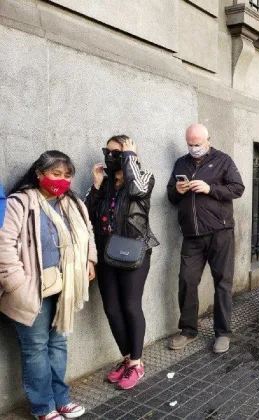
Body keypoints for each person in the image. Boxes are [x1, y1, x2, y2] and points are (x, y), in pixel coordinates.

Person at [0, 151, 97, 420]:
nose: (62, 181)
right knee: (36, 348)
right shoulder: (20, 203)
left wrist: (89, 260)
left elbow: (87, 231)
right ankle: (43, 407)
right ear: (39, 174)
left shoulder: (72, 202)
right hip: (32, 289)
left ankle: (61, 399)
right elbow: (3, 244)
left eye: (67, 176)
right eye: (56, 174)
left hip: (65, 286)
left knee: (58, 345)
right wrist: (15, 283)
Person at [85, 135, 159, 389]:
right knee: (112, 310)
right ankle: (127, 360)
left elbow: (138, 190)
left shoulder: (143, 177)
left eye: (117, 152)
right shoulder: (105, 185)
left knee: (130, 307)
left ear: (130, 154)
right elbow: (88, 214)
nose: (111, 157)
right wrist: (96, 186)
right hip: (106, 253)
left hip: (134, 251)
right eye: (108, 152)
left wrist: (130, 159)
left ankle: (137, 363)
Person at [167, 123, 245, 353]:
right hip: (192, 234)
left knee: (223, 282)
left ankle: (223, 333)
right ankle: (188, 330)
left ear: (208, 140)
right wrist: (177, 190)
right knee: (187, 281)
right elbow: (171, 195)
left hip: (219, 232)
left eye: (198, 144)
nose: (194, 149)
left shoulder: (223, 160)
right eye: (190, 145)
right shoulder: (181, 162)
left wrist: (210, 188)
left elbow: (238, 189)